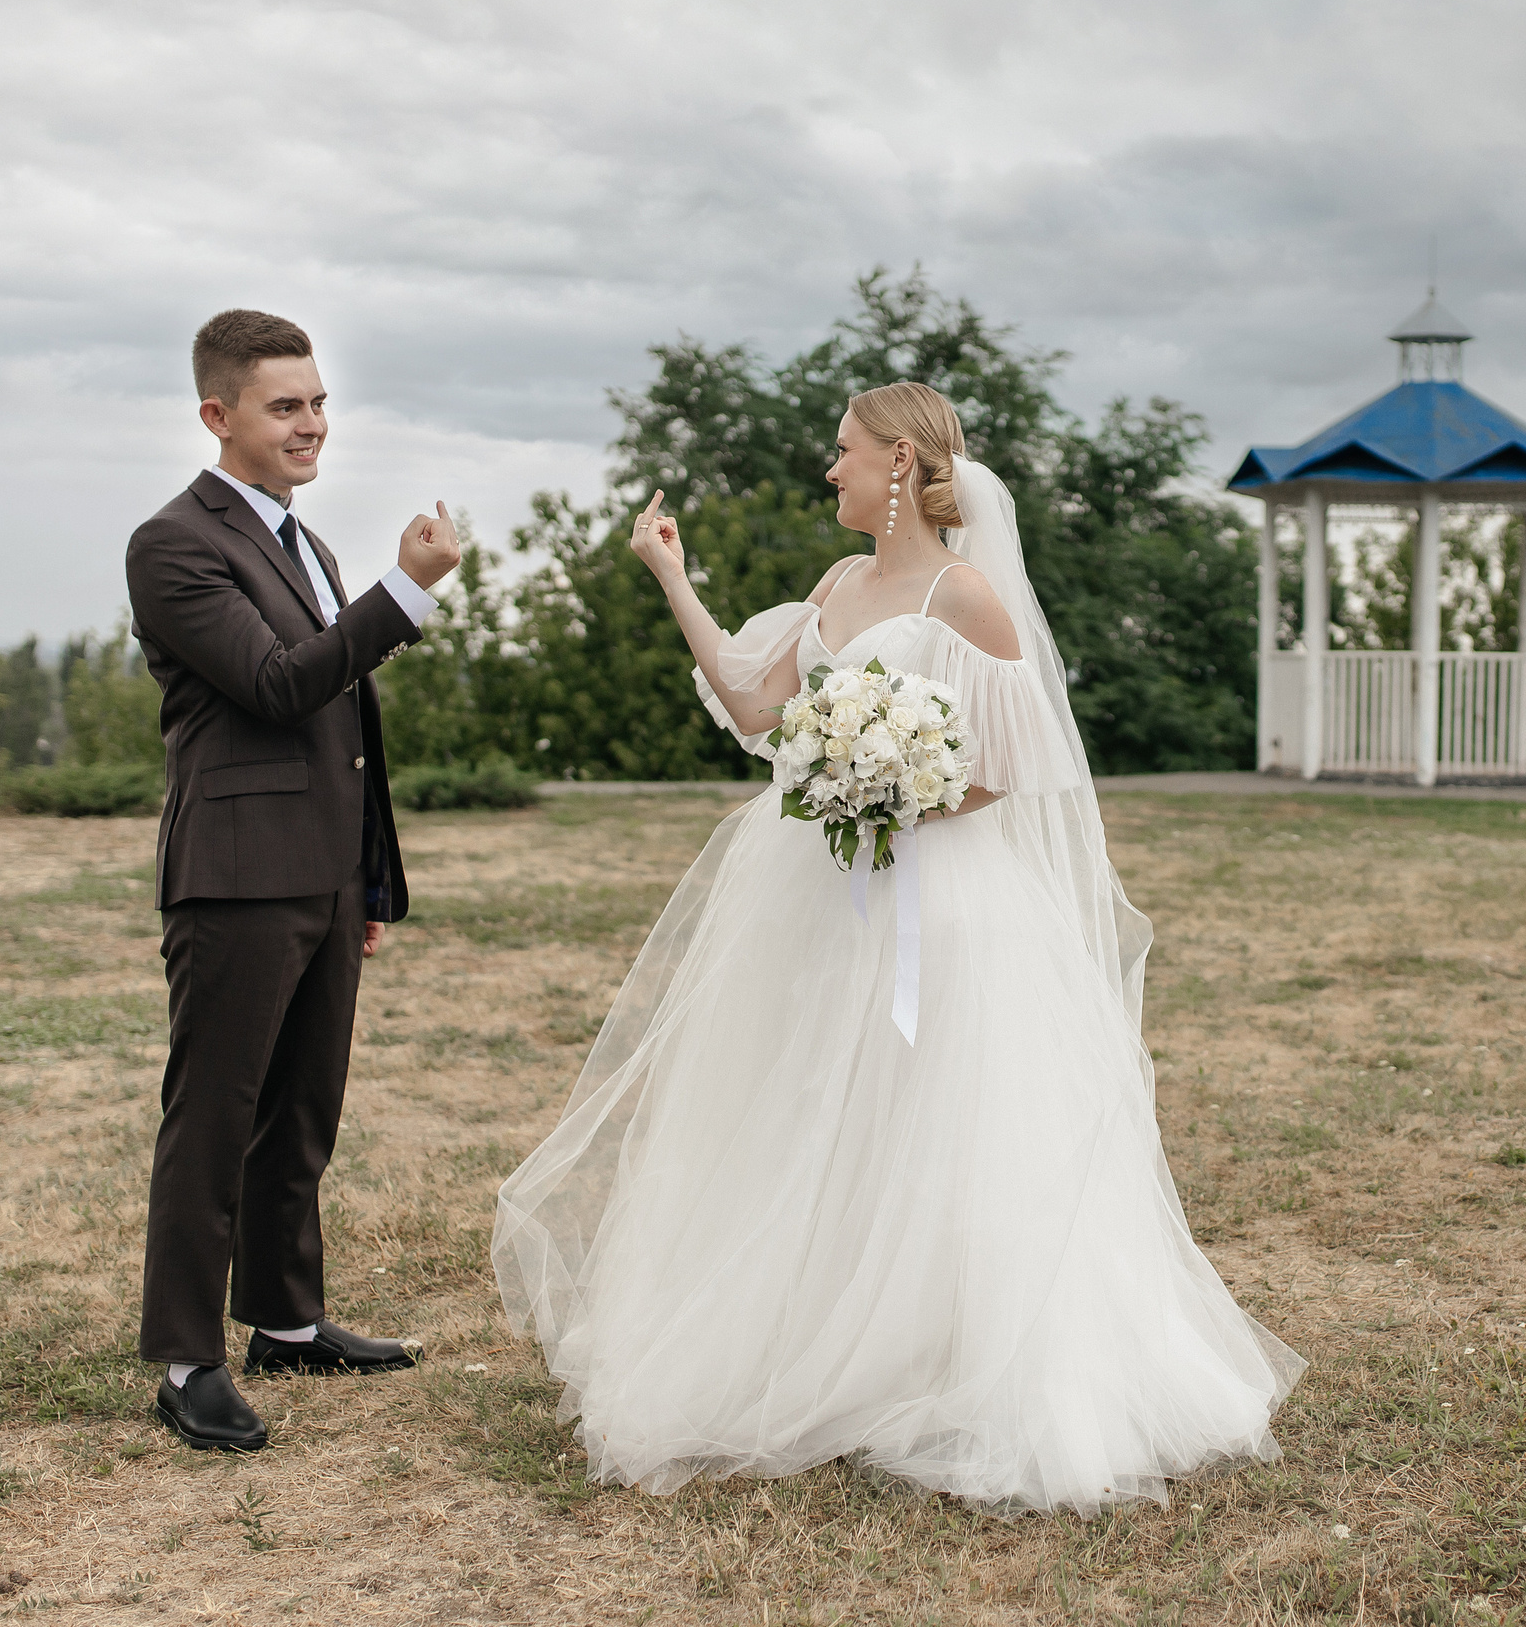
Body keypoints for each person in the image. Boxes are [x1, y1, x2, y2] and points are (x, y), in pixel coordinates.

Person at [492, 381, 1302, 1515]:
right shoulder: (836, 583)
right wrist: (672, 576)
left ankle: (941, 1357)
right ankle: (817, 1343)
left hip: (941, 896)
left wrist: (895, 791)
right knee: (812, 1102)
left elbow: (1010, 766)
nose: (830, 468)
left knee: (939, 1119)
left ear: (899, 465)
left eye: (844, 450)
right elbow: (756, 704)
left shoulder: (965, 597)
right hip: (817, 891)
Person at [126, 309, 462, 1451]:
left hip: (321, 874)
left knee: (303, 1110)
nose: (312, 422)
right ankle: (186, 1361)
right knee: (214, 1116)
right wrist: (405, 591)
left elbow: (343, 730)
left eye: (318, 401)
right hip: (233, 878)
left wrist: (364, 879)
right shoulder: (172, 544)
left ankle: (284, 1318)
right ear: (218, 415)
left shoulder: (306, 543)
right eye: (285, 406)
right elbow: (277, 686)